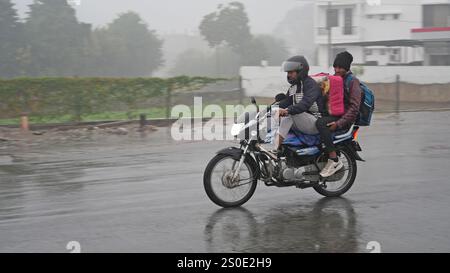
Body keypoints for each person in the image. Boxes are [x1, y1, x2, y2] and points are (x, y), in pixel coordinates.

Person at [316, 51, 362, 178]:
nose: (336, 70)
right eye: (335, 67)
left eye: (340, 68)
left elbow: (354, 108)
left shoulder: (353, 82)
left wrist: (338, 124)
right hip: (333, 113)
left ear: (347, 68)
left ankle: (334, 159)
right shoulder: (334, 80)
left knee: (320, 123)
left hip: (343, 119)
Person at [273, 55, 325, 152]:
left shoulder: (310, 84)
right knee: (274, 118)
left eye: (291, 72)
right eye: (288, 72)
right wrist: (269, 110)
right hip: (302, 122)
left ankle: (274, 148)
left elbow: (305, 104)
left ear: (300, 71)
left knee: (291, 115)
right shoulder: (294, 87)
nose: (288, 75)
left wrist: (287, 110)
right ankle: (280, 150)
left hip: (315, 122)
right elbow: (286, 102)